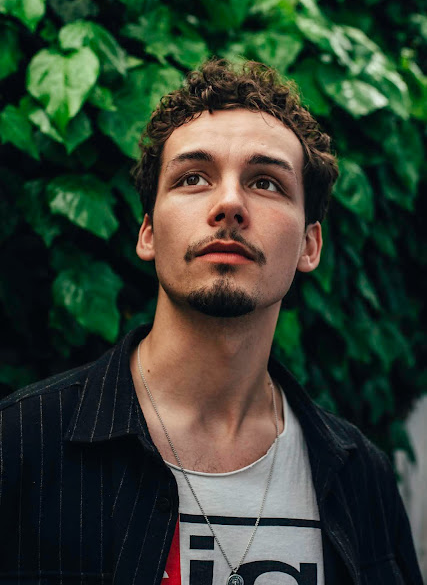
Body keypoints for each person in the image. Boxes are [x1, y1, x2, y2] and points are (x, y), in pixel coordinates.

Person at [0, 59, 422, 585]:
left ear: (309, 245)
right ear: (149, 233)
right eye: (193, 178)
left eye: (265, 182)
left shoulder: (364, 481)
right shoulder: (18, 446)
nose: (229, 204)